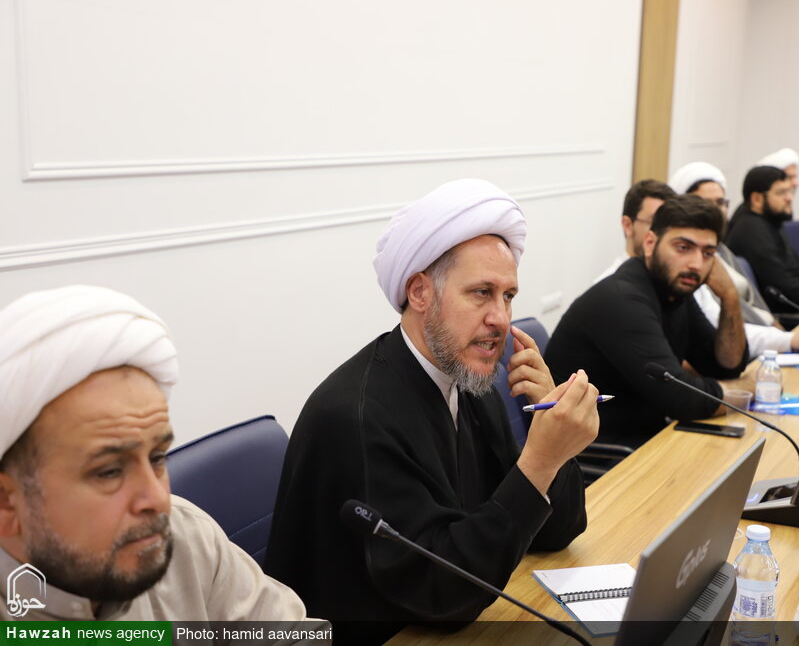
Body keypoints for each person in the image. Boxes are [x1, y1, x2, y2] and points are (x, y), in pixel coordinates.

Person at [265, 179, 598, 642]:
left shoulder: (470, 382)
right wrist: (541, 460)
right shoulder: (356, 417)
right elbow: (444, 593)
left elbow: (556, 532)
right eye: (481, 292)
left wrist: (549, 433)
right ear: (420, 292)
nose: (501, 318)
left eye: (508, 296)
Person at [0, 285, 319, 632]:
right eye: (109, 472)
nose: (157, 499)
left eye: (156, 458)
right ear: (7, 503)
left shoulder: (184, 536)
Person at [546, 194, 750, 449]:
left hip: (643, 442)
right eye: (683, 247)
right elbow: (682, 400)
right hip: (596, 455)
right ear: (651, 243)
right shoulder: (621, 299)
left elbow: (726, 365)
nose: (697, 264)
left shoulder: (675, 292)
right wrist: (747, 389)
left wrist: (729, 296)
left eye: (708, 253)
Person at [669, 163, 799, 355]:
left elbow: (754, 299)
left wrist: (778, 332)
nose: (716, 210)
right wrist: (784, 339)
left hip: (761, 339)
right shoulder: (689, 267)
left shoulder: (722, 250)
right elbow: (714, 327)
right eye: (706, 203)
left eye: (720, 202)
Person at [726, 166, 799, 315]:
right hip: (790, 316)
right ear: (757, 199)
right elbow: (783, 285)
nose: (789, 198)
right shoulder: (752, 230)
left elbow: (792, 267)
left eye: (789, 191)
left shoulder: (771, 221)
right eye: (781, 193)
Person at [596, 179, 675, 281]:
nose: (663, 233)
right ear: (628, 225)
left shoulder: (675, 278)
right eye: (655, 222)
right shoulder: (609, 284)